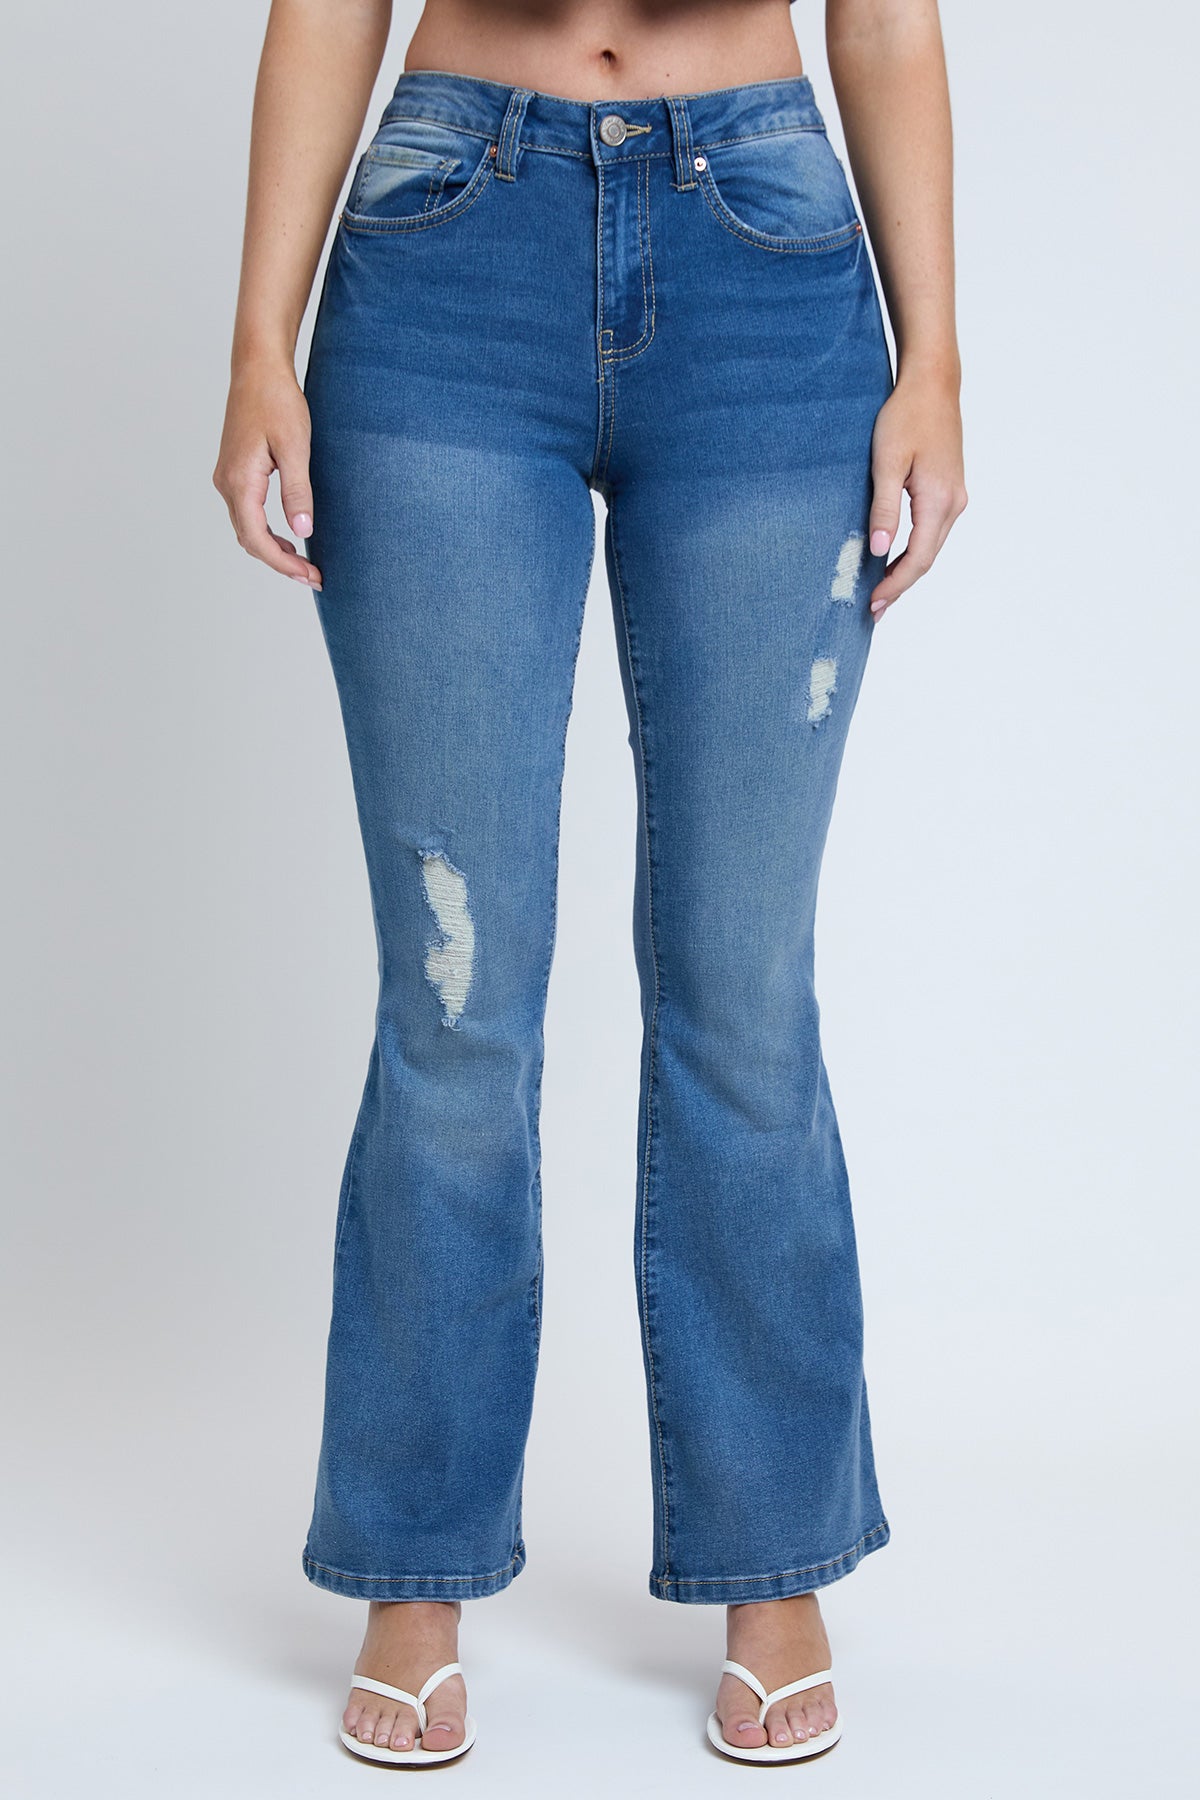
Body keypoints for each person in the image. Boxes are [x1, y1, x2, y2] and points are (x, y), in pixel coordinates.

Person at [213, 0, 966, 1768]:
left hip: (765, 259)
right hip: (448, 249)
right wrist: (257, 342)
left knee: (741, 992)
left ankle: (774, 1560)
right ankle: (415, 1567)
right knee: (456, 1002)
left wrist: (935, 357)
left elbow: (887, 14)